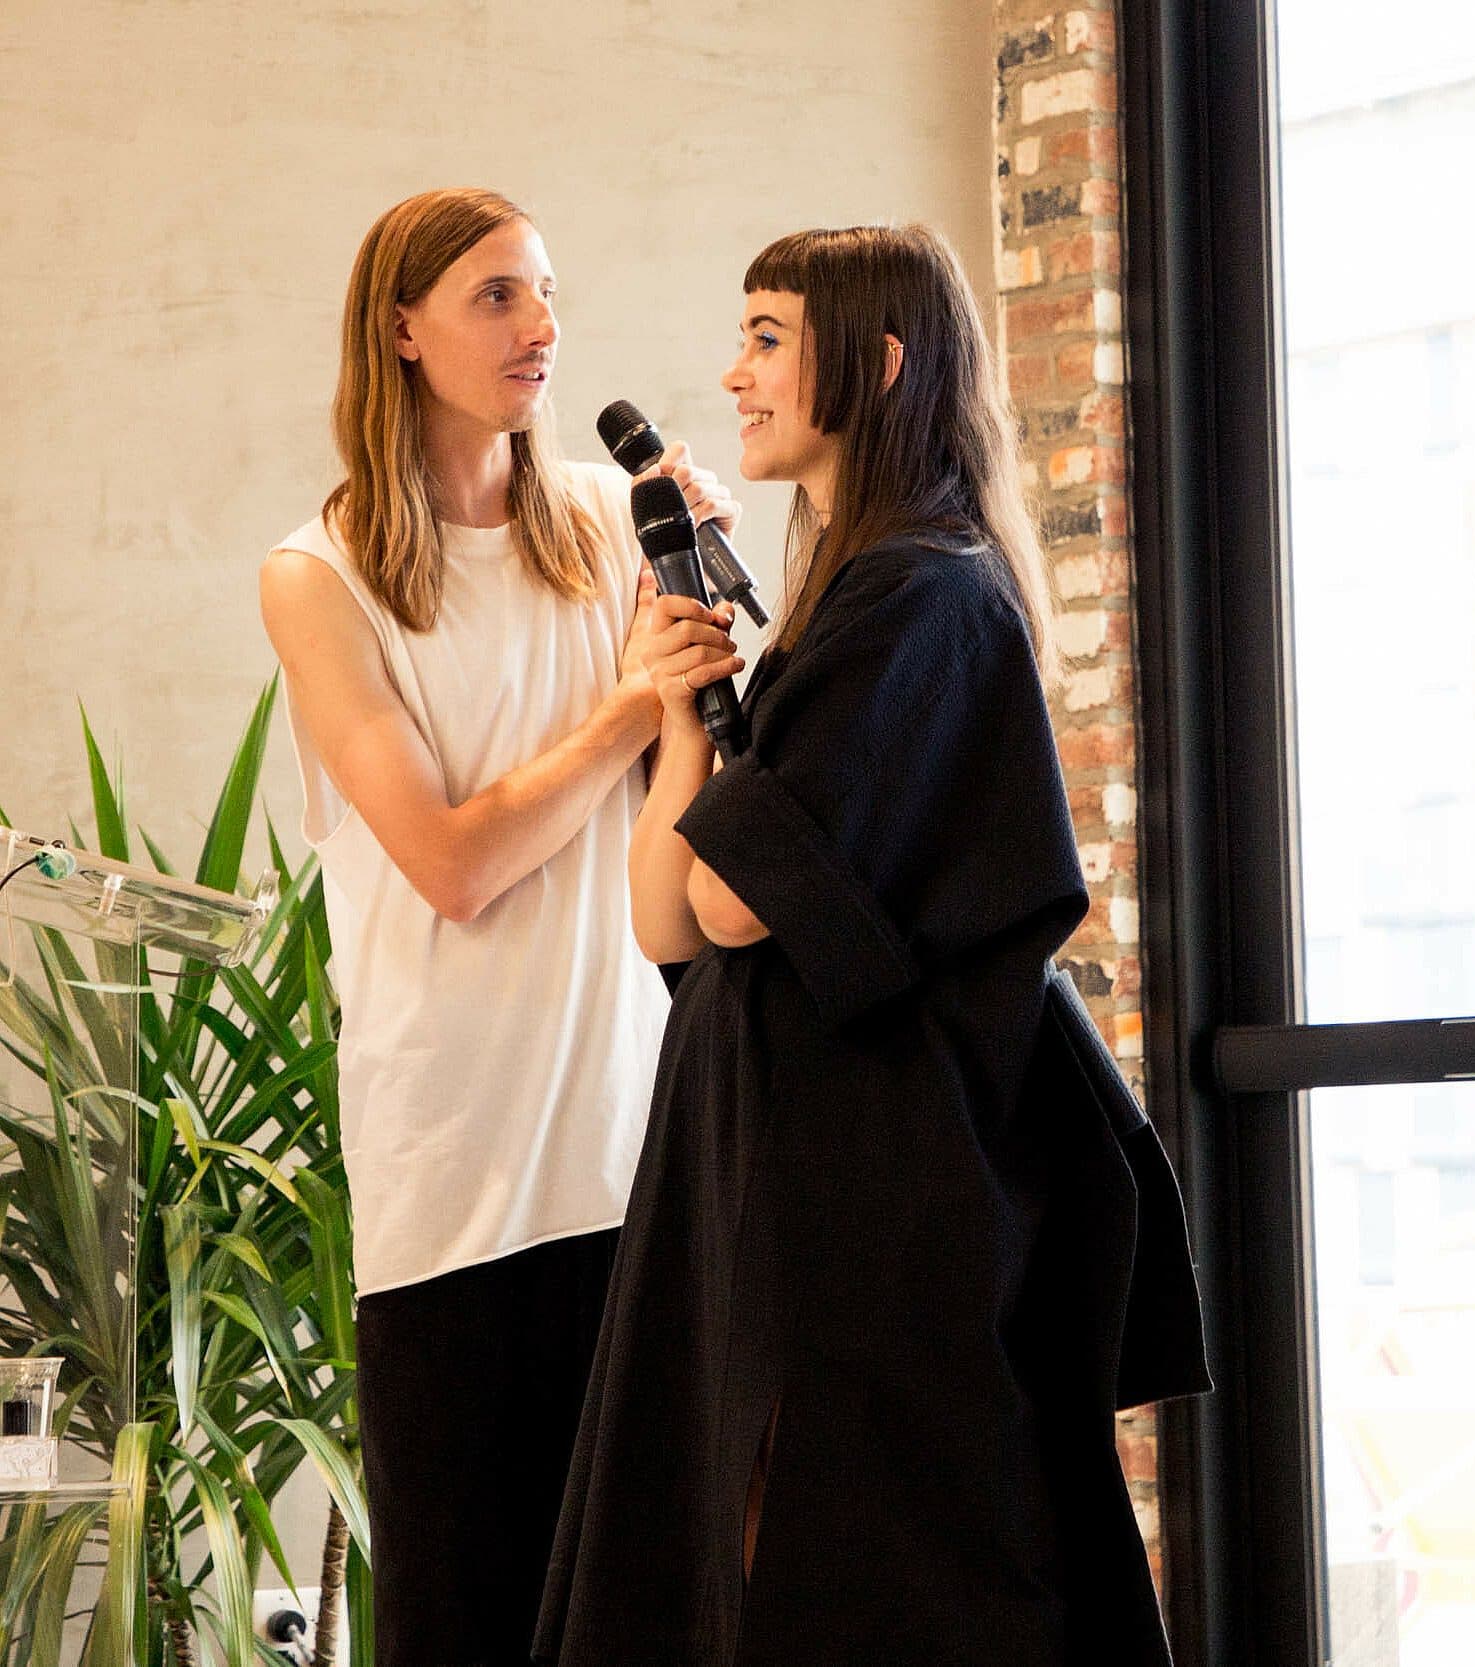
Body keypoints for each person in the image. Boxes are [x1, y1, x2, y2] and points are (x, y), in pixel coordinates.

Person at [536, 224, 1208, 1667]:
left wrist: (718, 772)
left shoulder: (919, 595)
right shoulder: (861, 599)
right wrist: (675, 705)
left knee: (866, 1582)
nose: (734, 372)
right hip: (793, 1171)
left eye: (768, 336)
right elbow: (667, 916)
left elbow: (725, 903)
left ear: (878, 362)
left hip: (873, 1194)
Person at [259, 187, 739, 1667]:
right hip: (455, 1183)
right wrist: (625, 706)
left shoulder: (616, 523)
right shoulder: (320, 579)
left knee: (659, 1617)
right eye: (496, 297)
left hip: (639, 1157)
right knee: (466, 1618)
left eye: (546, 293)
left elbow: (707, 793)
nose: (540, 327)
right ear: (400, 332)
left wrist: (702, 660)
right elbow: (453, 864)